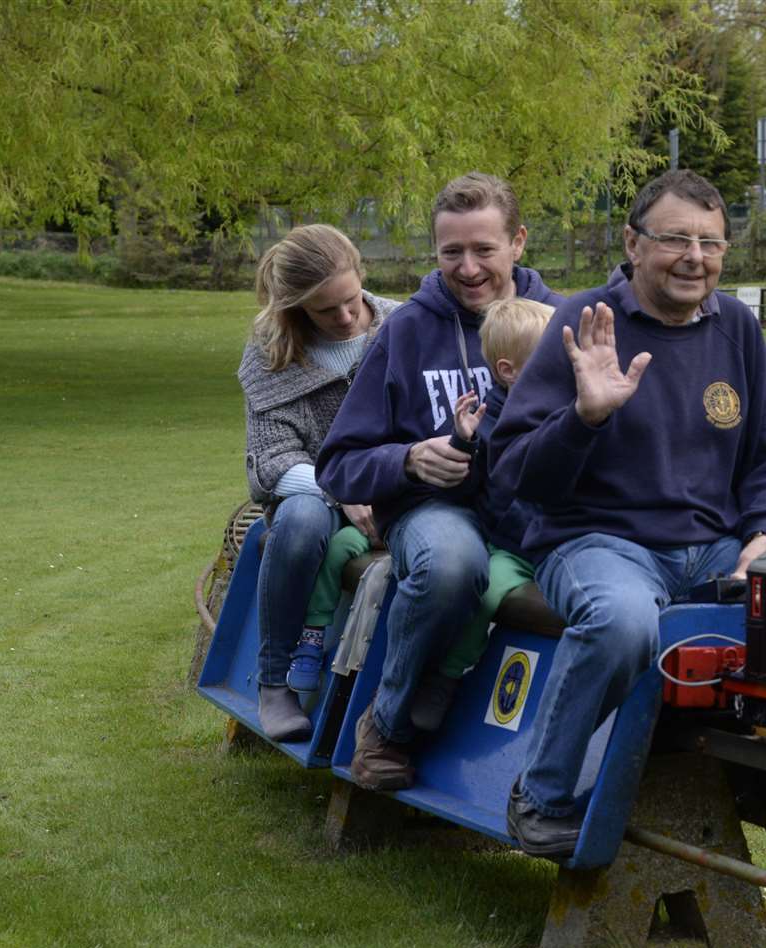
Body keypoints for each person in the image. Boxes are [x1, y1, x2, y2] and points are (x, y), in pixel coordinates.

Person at [487, 169, 766, 858]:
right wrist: (584, 417)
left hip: (714, 547)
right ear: (632, 243)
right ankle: (538, 797)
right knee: (623, 621)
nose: (696, 257)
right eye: (675, 239)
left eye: (711, 243)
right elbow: (515, 474)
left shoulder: (738, 331)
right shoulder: (582, 324)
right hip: (599, 543)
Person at [317, 172, 561, 791]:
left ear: (519, 242)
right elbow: (338, 462)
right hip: (435, 511)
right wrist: (407, 460)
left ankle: (555, 773)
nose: (469, 267)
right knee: (452, 562)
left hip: (538, 512)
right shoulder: (405, 331)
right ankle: (388, 728)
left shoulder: (562, 323)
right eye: (452, 251)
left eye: (484, 248)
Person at [238, 224, 401, 740]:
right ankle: (274, 683)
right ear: (296, 307)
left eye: (352, 300)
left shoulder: (404, 325)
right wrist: (341, 489)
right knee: (303, 520)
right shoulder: (271, 352)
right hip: (314, 493)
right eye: (326, 311)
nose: (346, 317)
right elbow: (269, 461)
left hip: (400, 482)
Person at [432, 296, 555, 680]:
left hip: (567, 545)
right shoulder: (486, 425)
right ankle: (447, 675)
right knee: (484, 597)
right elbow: (460, 491)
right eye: (553, 357)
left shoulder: (574, 411)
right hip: (514, 549)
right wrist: (463, 445)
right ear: (510, 370)